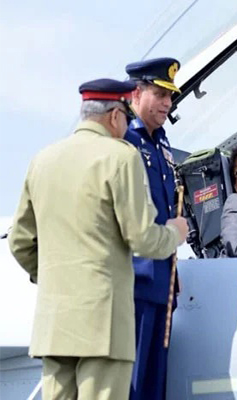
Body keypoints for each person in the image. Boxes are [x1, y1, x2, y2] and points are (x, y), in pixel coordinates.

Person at [8, 78, 189, 400]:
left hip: (54, 323)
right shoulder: (121, 157)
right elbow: (142, 238)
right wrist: (175, 233)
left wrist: (52, 277)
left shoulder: (43, 159)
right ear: (115, 116)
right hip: (103, 324)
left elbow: (20, 240)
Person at [123, 57, 183, 400]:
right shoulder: (124, 141)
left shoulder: (161, 143)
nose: (167, 103)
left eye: (170, 96)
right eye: (160, 94)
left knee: (154, 387)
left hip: (163, 283)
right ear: (136, 93)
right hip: (136, 280)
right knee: (132, 384)